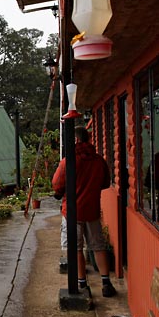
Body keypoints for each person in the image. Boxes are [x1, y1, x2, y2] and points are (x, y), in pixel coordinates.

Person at [52, 126, 116, 297]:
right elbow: (105, 183)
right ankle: (106, 282)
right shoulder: (98, 160)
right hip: (92, 210)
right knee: (98, 246)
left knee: (76, 248)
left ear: (76, 140)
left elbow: (57, 184)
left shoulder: (69, 161)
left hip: (72, 212)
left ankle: (81, 283)